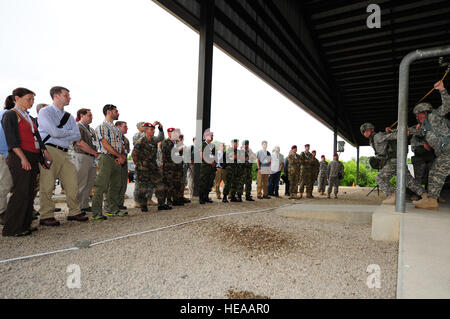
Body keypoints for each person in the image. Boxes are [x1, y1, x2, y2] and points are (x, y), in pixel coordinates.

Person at [1, 88, 52, 236]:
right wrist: (22, 158)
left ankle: (25, 224)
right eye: (29, 99)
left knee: (29, 191)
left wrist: (44, 151)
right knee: (21, 191)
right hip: (20, 155)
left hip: (33, 155)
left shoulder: (28, 117)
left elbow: (36, 136)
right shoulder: (11, 114)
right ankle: (12, 228)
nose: (31, 102)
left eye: (33, 99)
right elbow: (12, 139)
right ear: (17, 98)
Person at [37, 86, 89, 226]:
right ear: (56, 95)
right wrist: (67, 133)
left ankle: (74, 211)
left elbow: (77, 135)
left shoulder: (70, 116)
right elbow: (53, 132)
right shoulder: (45, 112)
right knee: (47, 184)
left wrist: (62, 132)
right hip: (49, 150)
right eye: (66, 95)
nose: (69, 98)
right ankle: (46, 215)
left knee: (72, 182)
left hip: (66, 152)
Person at [360, 122, 427, 205]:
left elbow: (393, 136)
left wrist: (402, 133)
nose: (365, 133)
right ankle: (425, 196)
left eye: (367, 130)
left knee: (380, 178)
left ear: (372, 130)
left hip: (394, 161)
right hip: (396, 160)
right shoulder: (372, 140)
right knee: (408, 181)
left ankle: (393, 196)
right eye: (364, 132)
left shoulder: (377, 136)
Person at [411, 81, 450, 210]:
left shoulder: (434, 117)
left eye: (421, 114)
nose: (419, 117)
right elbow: (415, 132)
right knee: (434, 171)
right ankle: (432, 201)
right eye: (417, 115)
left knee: (436, 170)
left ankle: (432, 200)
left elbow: (447, 106)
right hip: (444, 153)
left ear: (427, 112)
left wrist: (442, 90)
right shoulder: (424, 129)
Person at [91, 104, 128, 220]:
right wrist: (119, 155)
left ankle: (112, 209)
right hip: (106, 157)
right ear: (108, 112)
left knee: (115, 185)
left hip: (116, 159)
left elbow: (121, 145)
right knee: (101, 185)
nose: (118, 113)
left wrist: (121, 156)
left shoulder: (116, 129)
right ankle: (96, 213)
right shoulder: (101, 127)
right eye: (116, 111)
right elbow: (105, 144)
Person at [131, 122, 170, 212]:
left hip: (153, 168)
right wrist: (140, 165)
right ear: (146, 131)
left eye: (153, 130)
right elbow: (134, 155)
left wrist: (160, 129)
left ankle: (161, 204)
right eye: (152, 130)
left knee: (160, 185)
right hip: (143, 169)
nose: (153, 131)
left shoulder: (154, 140)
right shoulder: (140, 141)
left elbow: (161, 137)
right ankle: (143, 205)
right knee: (143, 188)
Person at [72, 108, 99, 215]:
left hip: (91, 157)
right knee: (81, 182)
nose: (91, 117)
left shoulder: (91, 130)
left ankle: (84, 205)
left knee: (89, 182)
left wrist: (95, 153)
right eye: (89, 115)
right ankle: (76, 207)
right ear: (81, 116)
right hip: (81, 156)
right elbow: (79, 143)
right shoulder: (77, 127)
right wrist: (93, 152)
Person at [162, 128, 184, 206]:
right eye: (172, 132)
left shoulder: (178, 142)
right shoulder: (165, 142)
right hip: (169, 167)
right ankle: (168, 200)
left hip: (177, 167)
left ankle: (176, 199)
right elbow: (167, 152)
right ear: (168, 133)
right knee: (168, 184)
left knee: (177, 183)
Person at [0, 98, 13, 225]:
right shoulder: (6, 115)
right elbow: (3, 136)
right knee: (4, 184)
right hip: (4, 153)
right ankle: (1, 212)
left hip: (7, 153)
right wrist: (6, 153)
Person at [114, 121, 130, 210]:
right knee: (115, 184)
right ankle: (113, 204)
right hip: (116, 162)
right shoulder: (114, 137)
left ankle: (120, 203)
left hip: (124, 163)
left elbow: (127, 150)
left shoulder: (126, 139)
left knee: (123, 184)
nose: (127, 128)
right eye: (125, 126)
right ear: (118, 127)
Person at [199, 131, 216, 204]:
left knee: (209, 182)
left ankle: (206, 196)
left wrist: (214, 163)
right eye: (210, 136)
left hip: (211, 167)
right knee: (203, 182)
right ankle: (201, 198)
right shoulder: (202, 144)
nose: (212, 137)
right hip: (205, 166)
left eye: (212, 136)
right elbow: (202, 155)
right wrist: (210, 162)